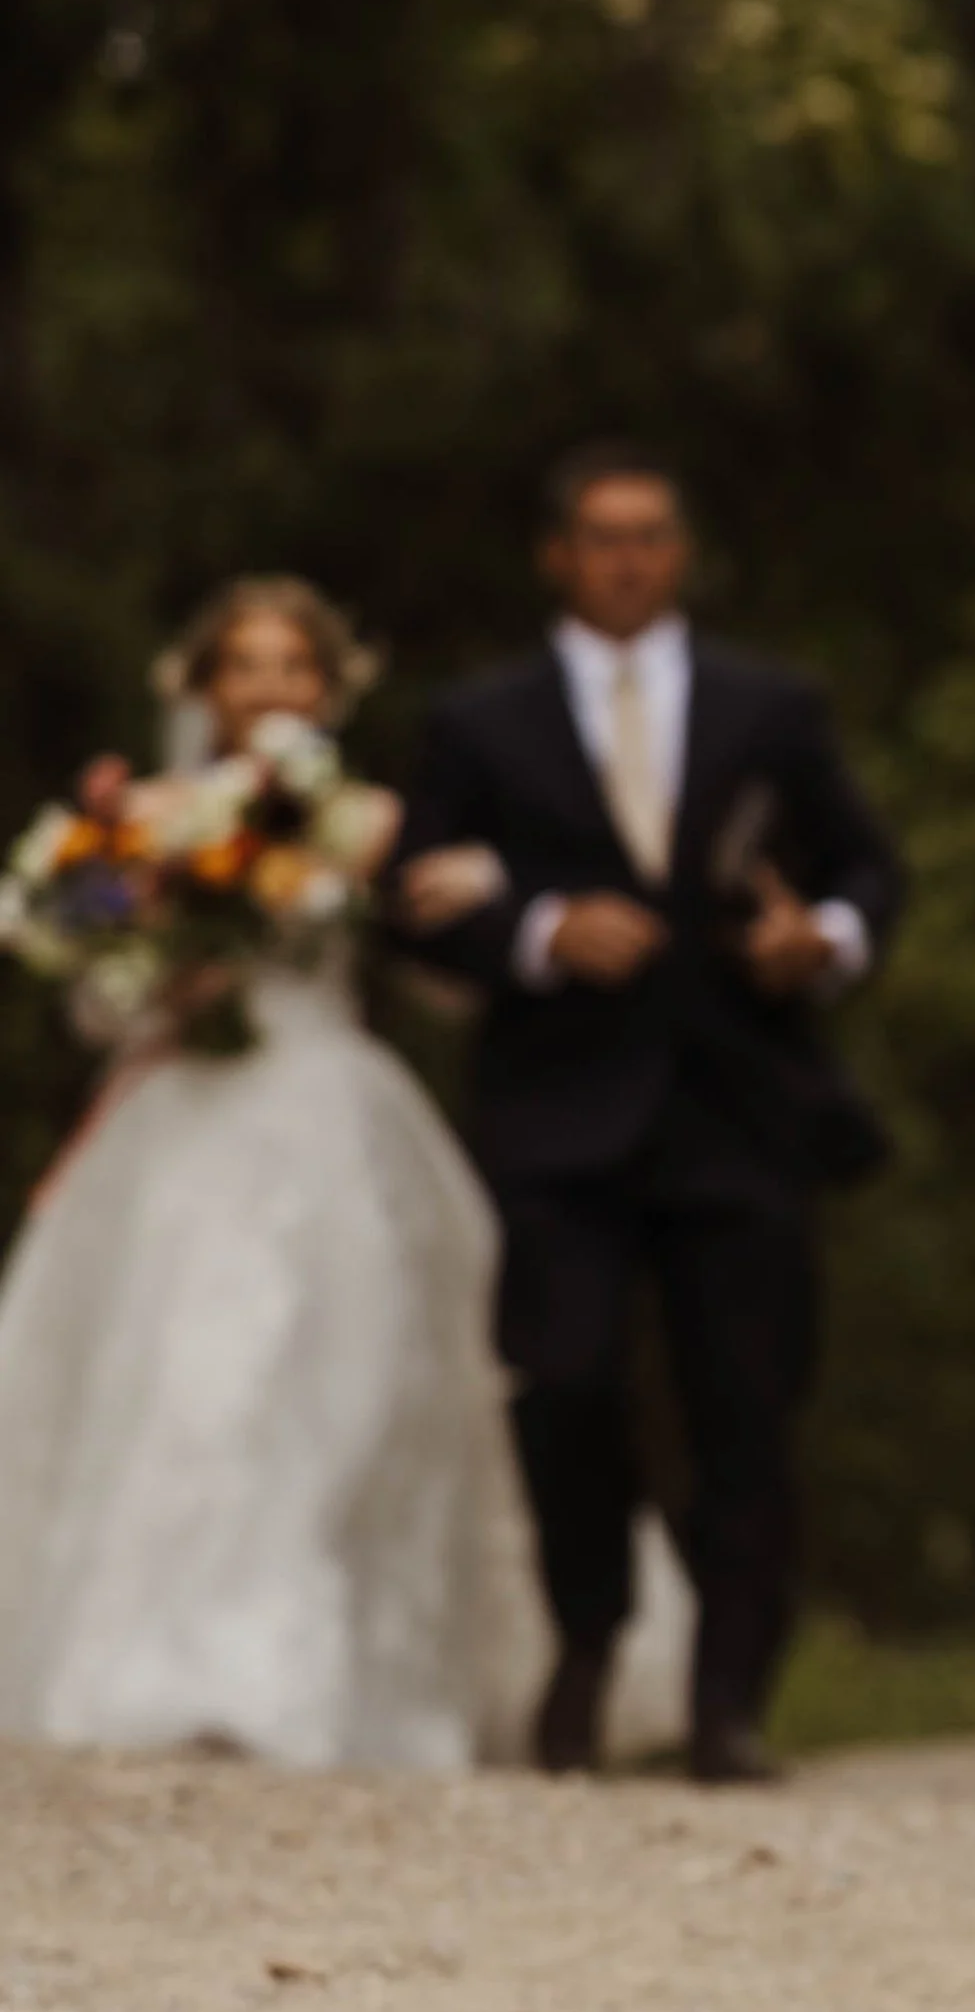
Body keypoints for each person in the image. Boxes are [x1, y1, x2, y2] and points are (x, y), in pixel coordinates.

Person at [392, 449, 903, 1784]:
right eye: (602, 537)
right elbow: (414, 891)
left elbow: (867, 865)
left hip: (739, 1105)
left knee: (747, 1401)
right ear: (557, 554)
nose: (628, 558)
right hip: (558, 1111)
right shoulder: (479, 719)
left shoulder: (770, 704)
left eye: (652, 535)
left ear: (679, 551)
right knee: (562, 1383)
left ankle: (729, 1699)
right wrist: (547, 928)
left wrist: (824, 936)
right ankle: (587, 1637)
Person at [0, 579, 557, 1770]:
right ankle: (152, 1658)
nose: (269, 688)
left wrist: (481, 895)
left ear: (327, 686)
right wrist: (167, 970)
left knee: (337, 1374)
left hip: (325, 1108)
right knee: (187, 1369)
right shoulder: (137, 824)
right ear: (204, 686)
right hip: (184, 1114)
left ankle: (316, 1667)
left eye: (292, 666)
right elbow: (101, 1007)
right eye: (245, 665)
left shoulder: (365, 821)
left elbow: (440, 969)